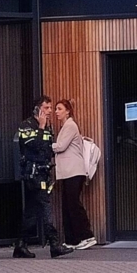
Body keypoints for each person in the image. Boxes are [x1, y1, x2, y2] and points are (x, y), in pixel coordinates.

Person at [17, 96, 73, 259]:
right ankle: (54, 244)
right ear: (38, 109)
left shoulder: (48, 127)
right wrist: (41, 127)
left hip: (43, 172)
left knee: (31, 212)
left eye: (51, 108)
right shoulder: (26, 126)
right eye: (47, 108)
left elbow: (48, 149)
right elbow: (34, 146)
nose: (50, 111)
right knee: (46, 205)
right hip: (32, 174)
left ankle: (21, 245)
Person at [53, 99, 96, 250]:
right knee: (67, 205)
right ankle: (71, 239)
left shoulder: (71, 125)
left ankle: (87, 235)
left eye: (59, 109)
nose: (56, 112)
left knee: (73, 204)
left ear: (67, 111)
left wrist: (47, 144)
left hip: (74, 172)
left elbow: (61, 146)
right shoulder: (65, 126)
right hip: (67, 173)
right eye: (56, 109)